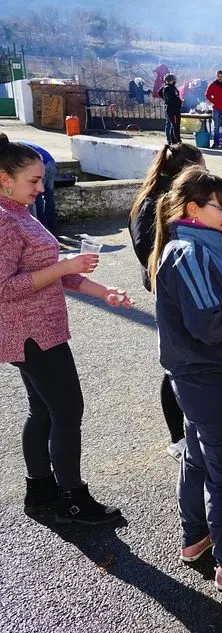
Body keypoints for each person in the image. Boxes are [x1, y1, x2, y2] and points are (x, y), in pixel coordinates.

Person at [0, 133, 131, 524]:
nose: (41, 188)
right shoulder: (5, 220)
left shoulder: (20, 212)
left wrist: (103, 291)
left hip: (39, 332)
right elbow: (5, 288)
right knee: (67, 411)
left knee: (42, 411)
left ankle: (40, 492)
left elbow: (53, 273)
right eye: (34, 181)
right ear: (5, 180)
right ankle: (73, 499)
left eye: (41, 180)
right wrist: (64, 266)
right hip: (31, 334)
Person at [149, 166, 222, 591]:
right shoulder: (191, 252)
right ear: (193, 210)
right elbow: (212, 323)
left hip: (200, 378)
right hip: (212, 379)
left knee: (198, 457)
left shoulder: (195, 247)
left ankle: (195, 537)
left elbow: (212, 305)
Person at [128, 142, 204, 459]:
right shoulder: (153, 203)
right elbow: (147, 251)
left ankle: (192, 426)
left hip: (183, 286)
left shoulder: (173, 197)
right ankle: (177, 438)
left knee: (188, 357)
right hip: (171, 289)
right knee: (175, 364)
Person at [20, 142, 57, 235]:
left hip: (43, 166)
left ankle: (42, 225)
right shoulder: (20, 144)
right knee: (49, 193)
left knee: (36, 196)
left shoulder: (13, 150)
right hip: (51, 163)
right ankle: (52, 222)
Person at [159, 73, 182, 145]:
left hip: (175, 109)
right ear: (171, 80)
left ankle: (174, 141)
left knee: (174, 126)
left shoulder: (172, 87)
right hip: (172, 109)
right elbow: (172, 99)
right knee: (175, 126)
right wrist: (179, 101)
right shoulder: (167, 88)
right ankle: (177, 141)